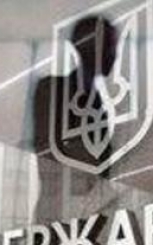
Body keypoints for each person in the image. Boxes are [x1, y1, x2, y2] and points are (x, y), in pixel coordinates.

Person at [32, 15, 118, 225]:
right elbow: (49, 155)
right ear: (93, 46)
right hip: (62, 214)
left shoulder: (99, 103)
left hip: (93, 214)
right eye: (111, 45)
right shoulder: (52, 89)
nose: (115, 54)